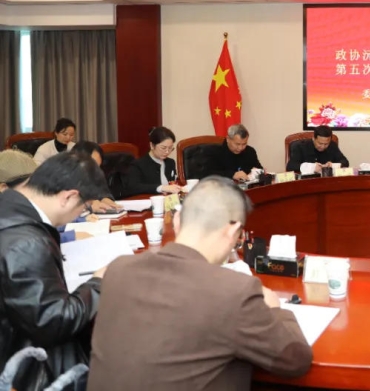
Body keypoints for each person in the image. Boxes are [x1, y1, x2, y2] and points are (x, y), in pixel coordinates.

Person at [87, 176, 313, 390]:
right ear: (233, 231)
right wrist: (275, 309)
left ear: (177, 221)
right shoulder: (234, 292)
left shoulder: (117, 270)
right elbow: (295, 360)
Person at [0, 152, 110, 390]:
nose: (78, 215)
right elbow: (53, 322)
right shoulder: (27, 242)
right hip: (23, 366)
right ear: (68, 197)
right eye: (83, 208)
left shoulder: (9, 207)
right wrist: (98, 282)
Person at [123, 127, 181, 197]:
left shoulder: (170, 162)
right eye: (163, 148)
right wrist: (161, 188)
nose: (167, 152)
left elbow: (173, 182)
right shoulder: (138, 165)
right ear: (152, 145)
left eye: (170, 148)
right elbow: (133, 187)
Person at [72, 141, 123, 214]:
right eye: (92, 166)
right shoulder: (64, 177)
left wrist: (106, 199)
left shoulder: (97, 173)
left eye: (98, 166)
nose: (95, 170)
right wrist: (89, 205)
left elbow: (104, 192)